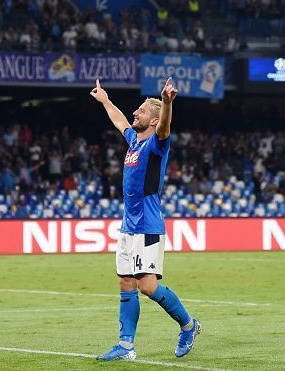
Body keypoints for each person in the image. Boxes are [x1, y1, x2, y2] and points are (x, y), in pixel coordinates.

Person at [90, 78, 201, 361]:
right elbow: (119, 121)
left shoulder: (155, 145)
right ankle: (126, 347)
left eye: (140, 111)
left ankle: (189, 326)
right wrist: (104, 100)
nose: (134, 113)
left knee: (147, 286)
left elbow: (164, 128)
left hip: (147, 227)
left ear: (153, 120)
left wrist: (166, 103)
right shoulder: (133, 141)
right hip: (128, 227)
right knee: (126, 284)